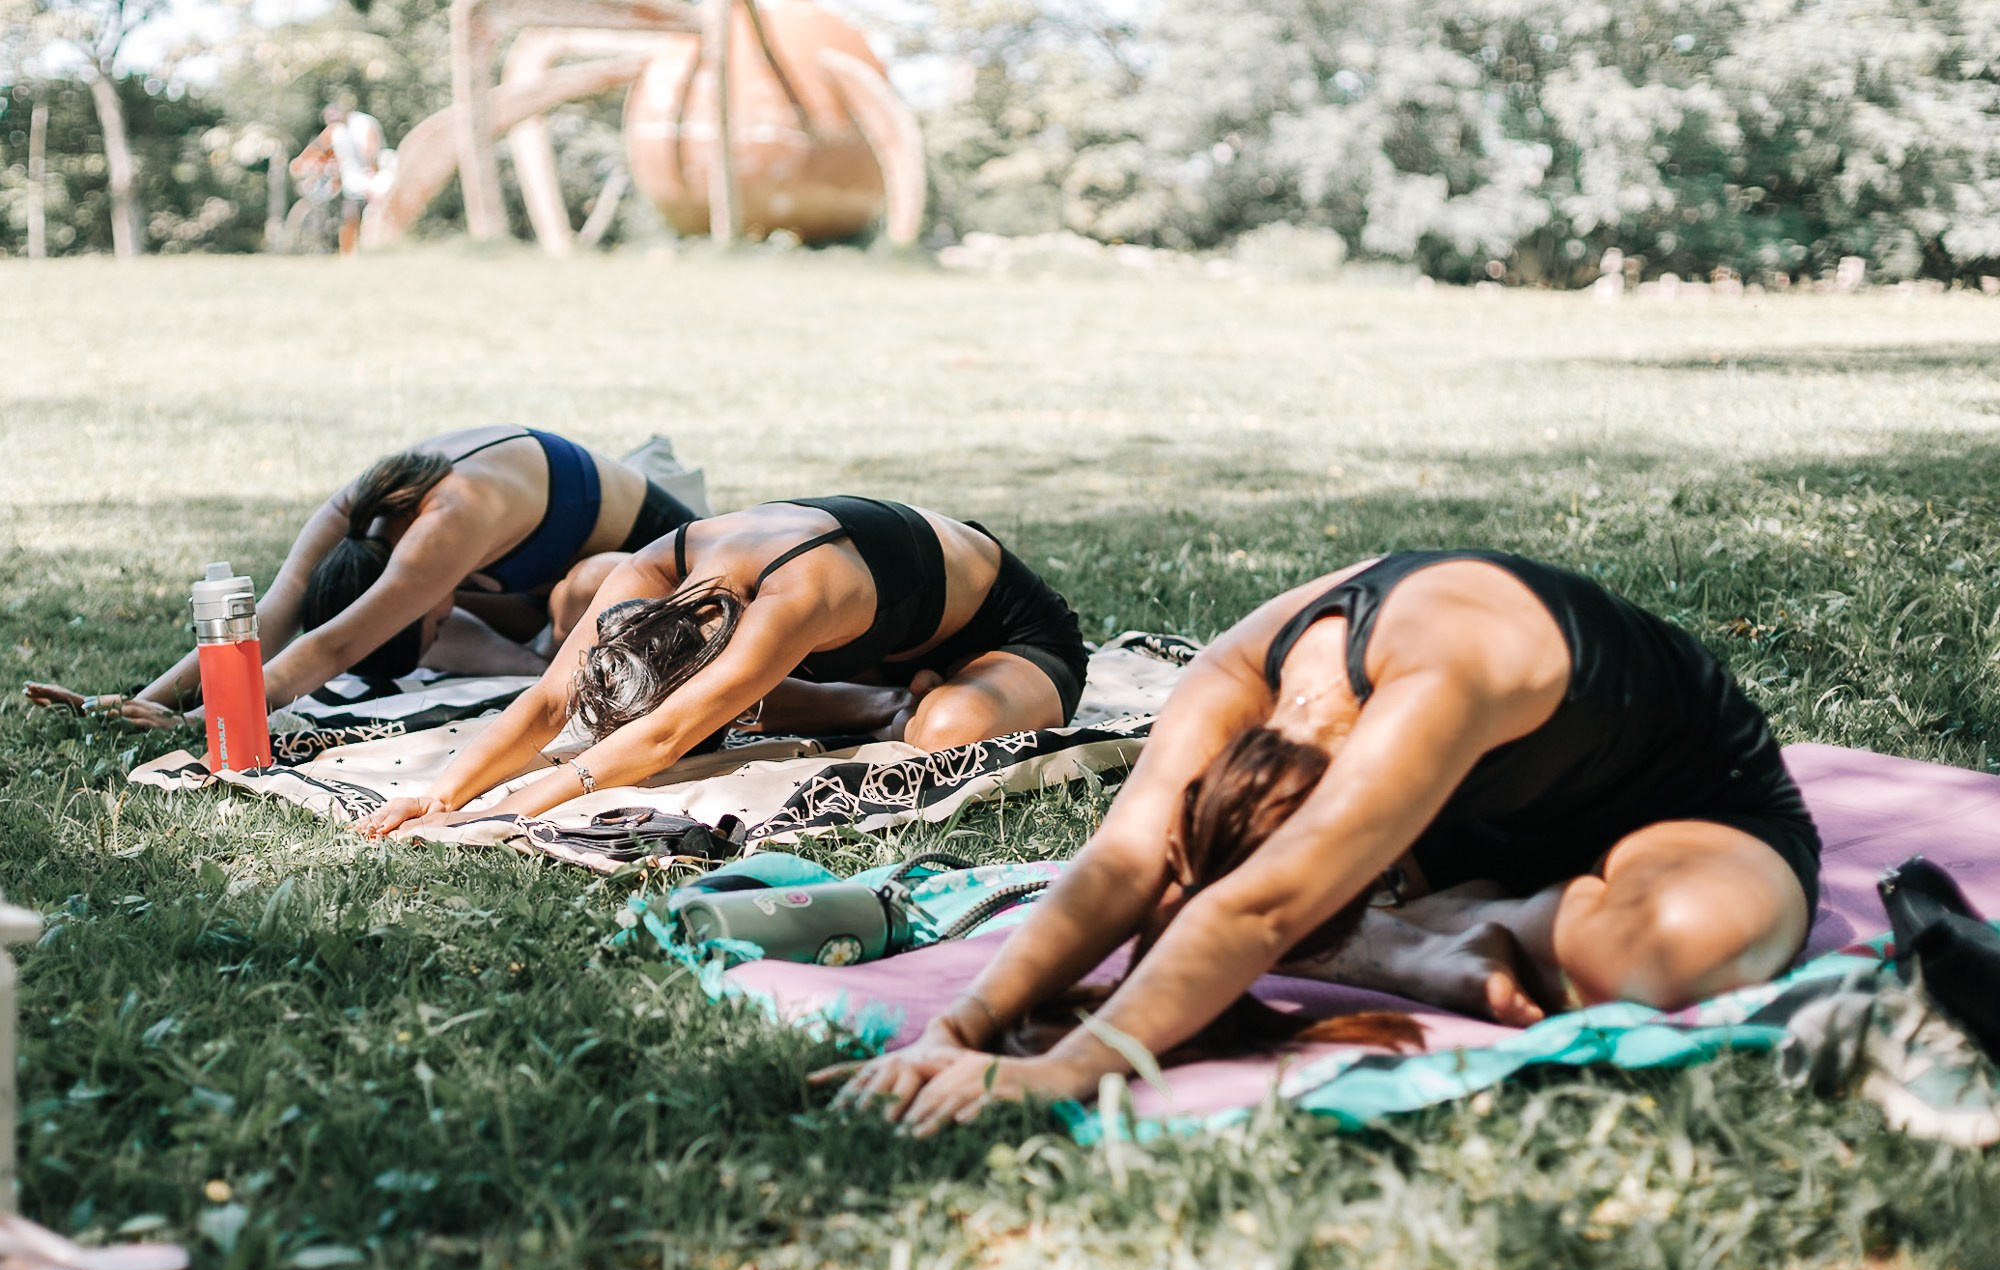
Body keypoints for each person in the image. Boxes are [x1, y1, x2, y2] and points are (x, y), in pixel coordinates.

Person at [816, 550, 1821, 1137]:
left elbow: (1254, 907)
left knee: (1665, 951)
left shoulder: (1436, 672)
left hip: (1682, 812)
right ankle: (1411, 927)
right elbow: (1127, 859)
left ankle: (1432, 931)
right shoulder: (1237, 673)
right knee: (1179, 905)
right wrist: (966, 1019)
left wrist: (1067, 1067)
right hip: (1466, 823)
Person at [355, 496, 1089, 836]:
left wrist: (518, 806)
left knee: (945, 732)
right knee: (584, 581)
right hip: (874, 645)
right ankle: (887, 698)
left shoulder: (797, 595)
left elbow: (666, 737)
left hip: (1009, 633)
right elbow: (550, 703)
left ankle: (909, 701)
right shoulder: (653, 568)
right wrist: (442, 795)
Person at [25, 424, 698, 727]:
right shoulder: (352, 512)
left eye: (427, 628)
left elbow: (332, 647)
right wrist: (141, 699)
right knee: (531, 622)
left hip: (650, 558)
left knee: (585, 592)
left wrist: (206, 723)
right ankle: (533, 662)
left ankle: (540, 665)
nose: (440, 630)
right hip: (535, 581)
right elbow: (268, 617)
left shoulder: (446, 525)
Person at [291, 102, 387, 257]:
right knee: (348, 212)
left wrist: (370, 168)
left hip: (372, 177)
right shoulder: (335, 131)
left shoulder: (362, 123)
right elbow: (317, 149)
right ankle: (349, 253)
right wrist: (302, 164)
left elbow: (372, 152)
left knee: (369, 208)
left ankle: (375, 246)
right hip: (351, 181)